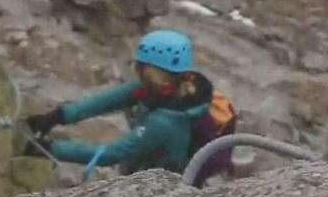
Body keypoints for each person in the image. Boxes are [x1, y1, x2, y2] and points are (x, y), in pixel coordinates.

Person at [22, 29, 222, 178]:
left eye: (141, 66)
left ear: (152, 70)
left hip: (158, 184)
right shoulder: (169, 87)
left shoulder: (165, 123)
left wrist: (52, 149)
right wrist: (60, 115)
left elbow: (113, 154)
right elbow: (108, 101)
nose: (137, 70)